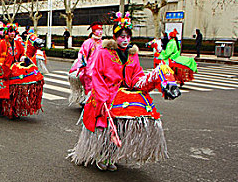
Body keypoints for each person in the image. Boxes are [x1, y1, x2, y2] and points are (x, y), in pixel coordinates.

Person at [68, 12, 181, 171]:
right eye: (121, 36)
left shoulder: (132, 55)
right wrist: (102, 96)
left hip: (124, 96)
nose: (125, 39)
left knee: (120, 128)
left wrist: (147, 81)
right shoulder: (104, 52)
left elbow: (136, 75)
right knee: (106, 128)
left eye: (128, 36)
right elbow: (97, 75)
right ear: (115, 37)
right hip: (105, 95)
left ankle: (111, 156)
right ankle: (101, 155)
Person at [0, 23, 44, 119]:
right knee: (2, 87)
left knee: (15, 90)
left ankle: (13, 110)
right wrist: (2, 67)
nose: (12, 34)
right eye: (10, 32)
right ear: (6, 33)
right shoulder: (2, 43)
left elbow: (22, 53)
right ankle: (1, 107)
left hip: (14, 67)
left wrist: (22, 58)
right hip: (4, 68)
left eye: (13, 32)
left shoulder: (17, 43)